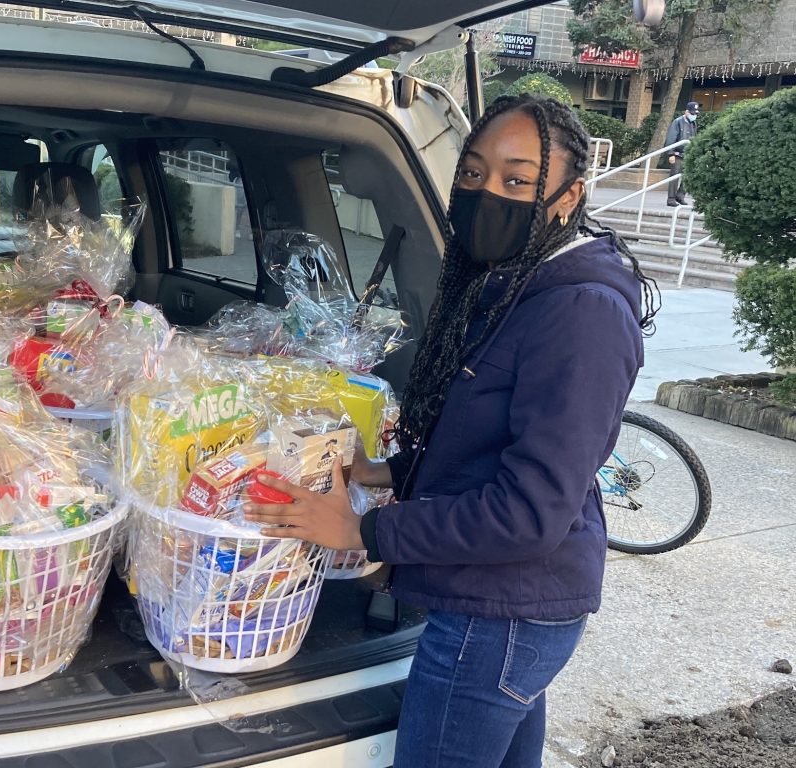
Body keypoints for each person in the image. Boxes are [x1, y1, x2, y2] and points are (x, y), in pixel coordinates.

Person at [244, 93, 659, 768]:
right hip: (502, 607)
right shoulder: (518, 282)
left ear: (568, 194)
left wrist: (364, 531)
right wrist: (389, 471)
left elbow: (530, 513)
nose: (487, 192)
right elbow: (488, 445)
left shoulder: (581, 311)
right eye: (472, 173)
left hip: (500, 618)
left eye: (517, 180)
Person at [664, 101, 700, 206]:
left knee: (688, 176)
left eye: (695, 114)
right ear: (686, 112)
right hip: (677, 153)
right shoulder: (678, 122)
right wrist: (671, 154)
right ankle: (671, 199)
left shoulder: (693, 123)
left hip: (688, 153)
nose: (694, 116)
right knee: (674, 176)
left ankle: (680, 196)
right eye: (692, 113)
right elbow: (671, 138)